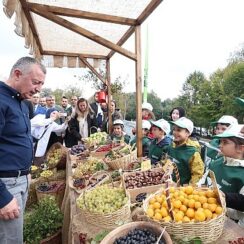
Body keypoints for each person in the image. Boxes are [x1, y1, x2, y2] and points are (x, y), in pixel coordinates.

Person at [0, 56, 46, 244]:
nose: (38, 89)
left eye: (41, 84)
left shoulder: (21, 101)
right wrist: (2, 197)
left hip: (20, 180)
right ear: (17, 74)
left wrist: (26, 172)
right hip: (6, 185)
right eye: (35, 82)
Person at [208, 124, 244, 227]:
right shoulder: (216, 163)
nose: (220, 145)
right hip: (208, 216)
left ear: (240, 149)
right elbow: (204, 181)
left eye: (225, 142)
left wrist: (223, 199)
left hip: (230, 223)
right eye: (220, 141)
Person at [167, 117, 204, 185]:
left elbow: (197, 174)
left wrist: (188, 189)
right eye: (174, 129)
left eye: (179, 130)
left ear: (188, 133)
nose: (175, 132)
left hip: (182, 190)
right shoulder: (172, 146)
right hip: (169, 184)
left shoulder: (193, 152)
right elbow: (168, 162)